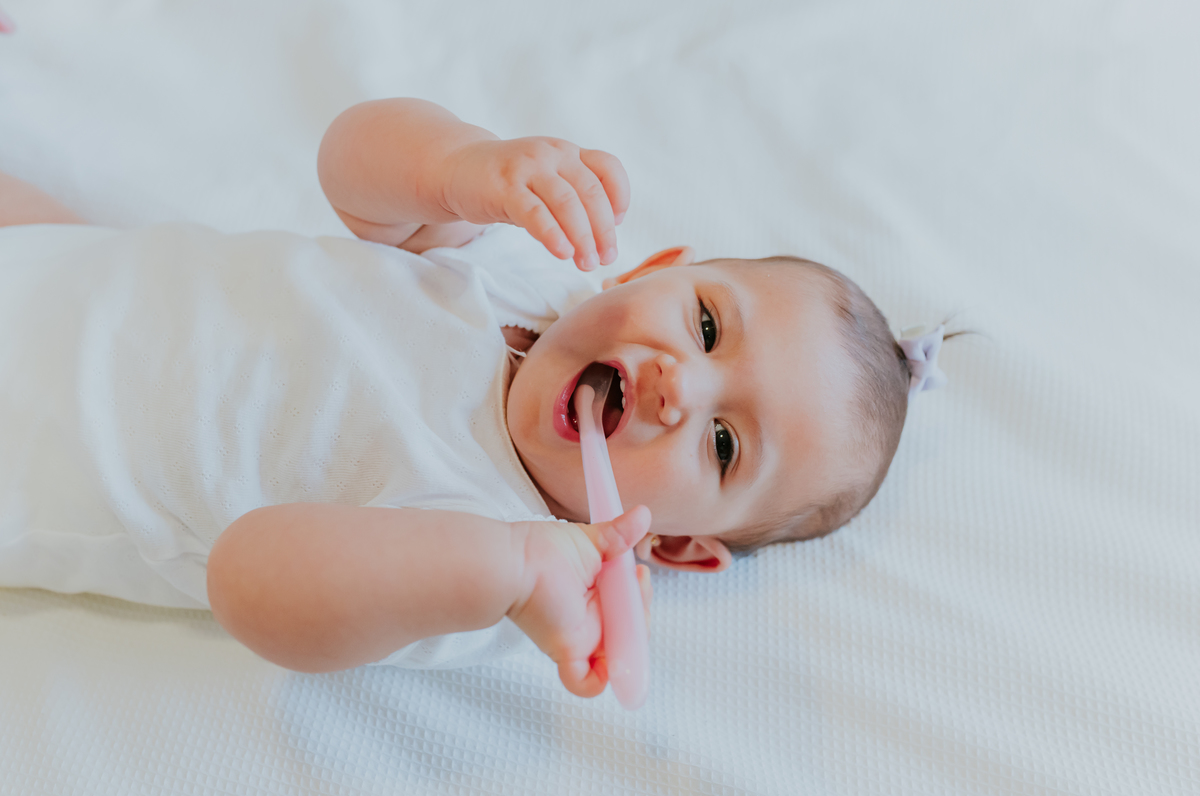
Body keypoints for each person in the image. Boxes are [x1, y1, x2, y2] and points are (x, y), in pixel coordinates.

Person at [0, 98, 948, 698]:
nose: (677, 383)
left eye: (725, 445)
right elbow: (352, 165)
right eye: (705, 325)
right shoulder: (516, 274)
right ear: (658, 266)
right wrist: (461, 167)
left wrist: (511, 567)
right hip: (84, 267)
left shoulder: (489, 561)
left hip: (33, 437)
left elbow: (248, 576)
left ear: (673, 548)